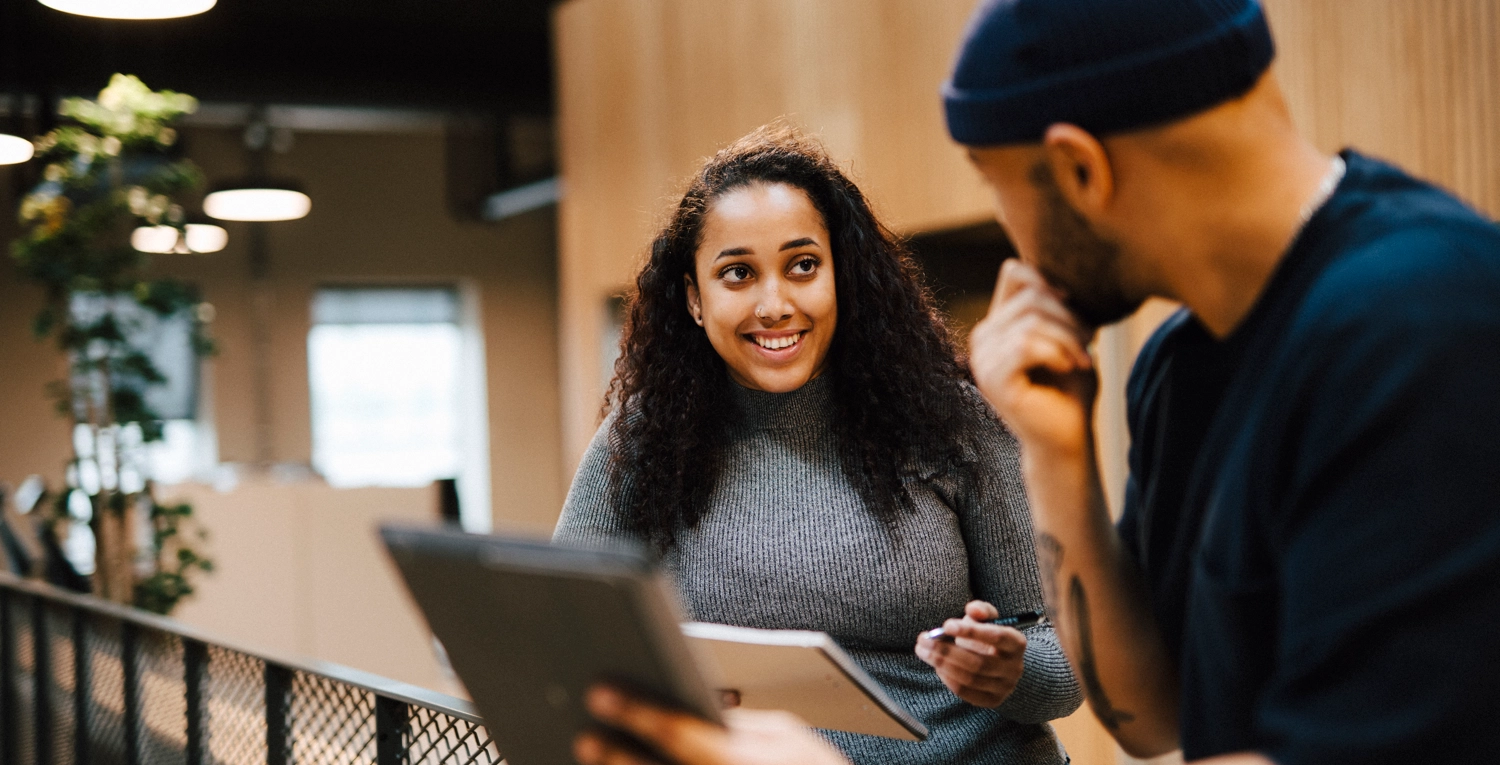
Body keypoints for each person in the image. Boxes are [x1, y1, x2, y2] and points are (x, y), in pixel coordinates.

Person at [571, 1, 1500, 764]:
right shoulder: (1181, 362)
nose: (1013, 238)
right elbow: (1149, 718)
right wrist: (1058, 454)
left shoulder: (1425, 321)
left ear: (1080, 169)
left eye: (997, 182)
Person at [555, 124, 1081, 765]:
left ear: (842, 276)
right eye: (738, 274)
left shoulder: (951, 421)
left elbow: (1067, 658)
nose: (775, 304)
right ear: (694, 299)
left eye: (803, 266)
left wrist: (1013, 671)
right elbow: (567, 638)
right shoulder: (641, 440)